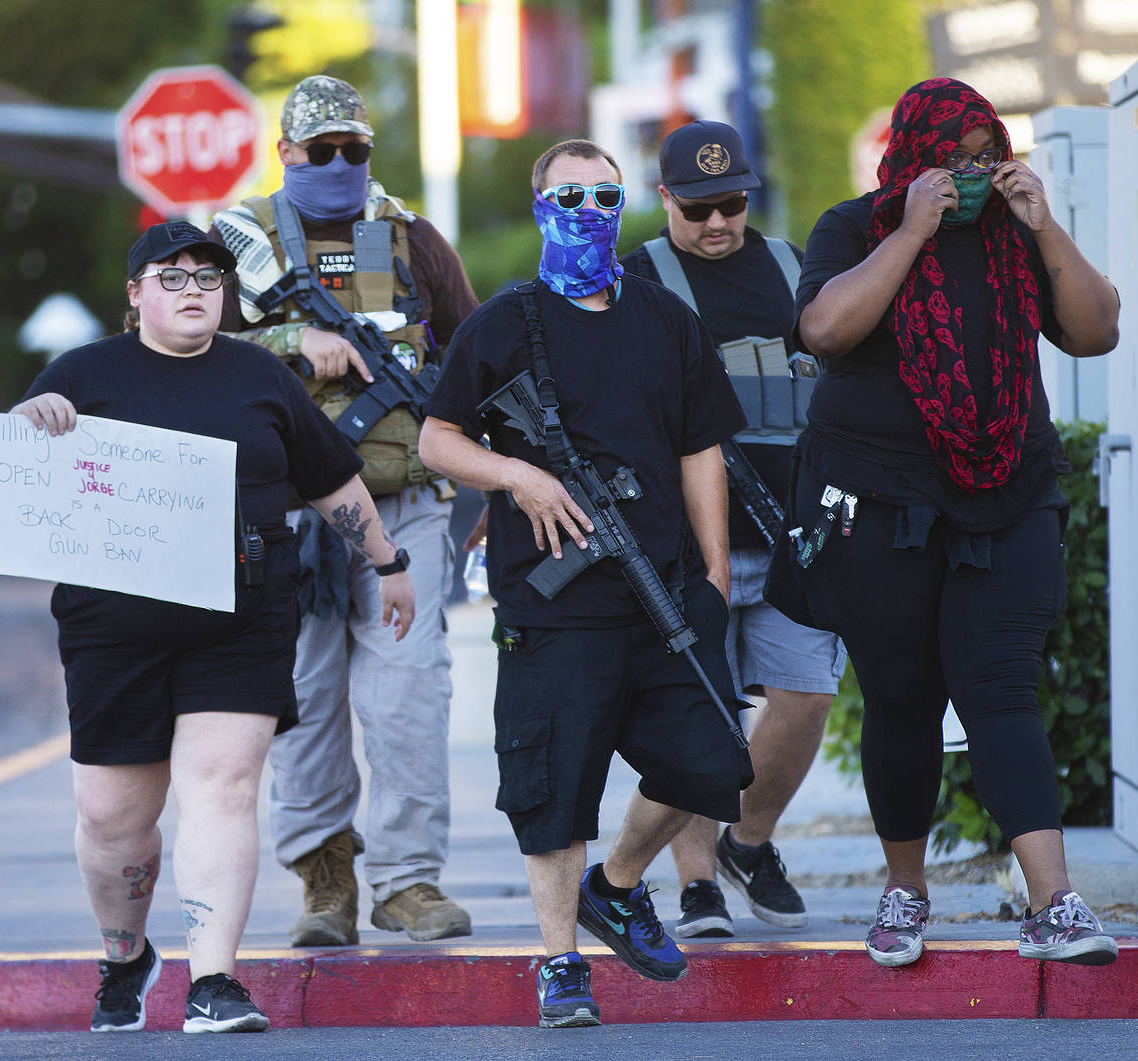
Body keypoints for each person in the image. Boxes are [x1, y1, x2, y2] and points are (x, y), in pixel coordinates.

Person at [10, 221, 415, 1033]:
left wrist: (387, 559)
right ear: (134, 295)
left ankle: (213, 980)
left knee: (223, 787)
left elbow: (333, 479)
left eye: (208, 277)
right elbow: (20, 469)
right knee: (111, 816)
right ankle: (125, 953)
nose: (193, 289)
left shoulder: (261, 374)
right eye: (172, 276)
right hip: (113, 625)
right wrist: (38, 413)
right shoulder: (82, 373)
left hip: (245, 610)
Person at [771, 77, 1120, 968]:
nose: (969, 173)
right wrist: (910, 232)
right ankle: (905, 889)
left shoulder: (1014, 236)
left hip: (1009, 495)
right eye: (951, 156)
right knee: (902, 699)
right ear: (912, 156)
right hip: (881, 505)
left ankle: (1056, 901)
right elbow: (825, 331)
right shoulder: (855, 226)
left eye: (984, 154)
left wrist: (1043, 225)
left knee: (1002, 689)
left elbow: (1096, 329)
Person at [418, 139, 753, 1028]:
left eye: (606, 197)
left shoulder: (663, 317)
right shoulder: (501, 323)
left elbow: (699, 446)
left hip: (663, 590)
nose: (589, 213)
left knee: (711, 760)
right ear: (539, 208)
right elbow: (436, 439)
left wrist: (714, 568)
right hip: (555, 601)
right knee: (554, 785)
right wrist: (516, 477)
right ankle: (560, 960)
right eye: (570, 199)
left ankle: (616, 886)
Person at [210, 75, 479, 946]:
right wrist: (294, 340)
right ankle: (325, 880)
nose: (336, 164)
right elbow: (180, 346)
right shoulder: (232, 245)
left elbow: (476, 364)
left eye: (352, 150)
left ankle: (409, 879)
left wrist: (483, 492)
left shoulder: (413, 242)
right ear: (285, 152)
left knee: (408, 697)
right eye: (318, 151)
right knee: (304, 701)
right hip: (283, 517)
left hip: (402, 505)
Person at [620, 119, 846, 938]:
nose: (717, 224)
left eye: (730, 205)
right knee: (701, 711)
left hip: (792, 533)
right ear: (664, 200)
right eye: (697, 208)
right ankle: (697, 884)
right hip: (687, 542)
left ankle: (749, 842)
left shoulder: (794, 266)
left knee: (806, 695)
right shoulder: (637, 276)